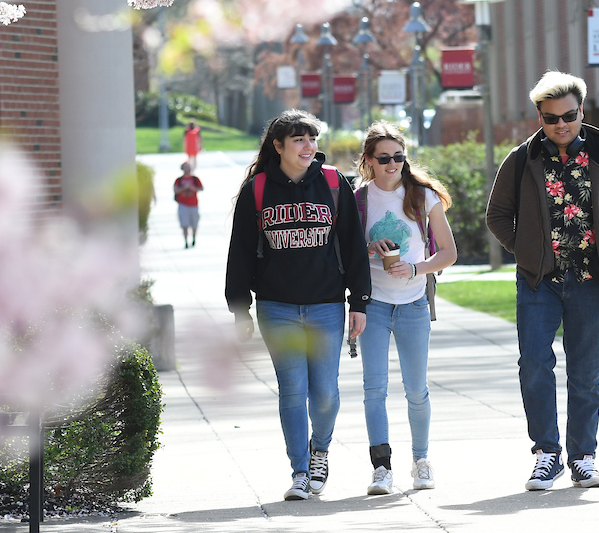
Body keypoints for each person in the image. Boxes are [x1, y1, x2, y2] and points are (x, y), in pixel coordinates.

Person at [486, 71, 599, 491]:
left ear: (581, 112)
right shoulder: (521, 160)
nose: (561, 125)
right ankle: (547, 454)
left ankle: (583, 458)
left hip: (591, 281)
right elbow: (497, 215)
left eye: (569, 116)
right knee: (534, 364)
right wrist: (527, 252)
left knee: (585, 372)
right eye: (551, 118)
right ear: (539, 117)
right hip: (539, 283)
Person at [224, 109, 372, 501]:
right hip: (276, 307)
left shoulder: (333, 183)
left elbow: (354, 247)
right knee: (292, 390)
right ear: (279, 146)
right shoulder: (256, 189)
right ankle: (300, 472)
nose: (309, 147)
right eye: (299, 140)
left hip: (326, 305)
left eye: (313, 139)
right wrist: (239, 308)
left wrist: (360, 301)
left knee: (324, 392)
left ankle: (319, 449)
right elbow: (239, 252)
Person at [354, 121, 458, 495]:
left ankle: (421, 460)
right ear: (369, 161)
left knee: (416, 389)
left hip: (413, 302)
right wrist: (369, 249)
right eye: (384, 158)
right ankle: (381, 468)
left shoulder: (423, 197)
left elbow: (449, 253)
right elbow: (345, 253)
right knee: (374, 389)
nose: (393, 164)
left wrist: (416, 267)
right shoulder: (358, 201)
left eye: (399, 157)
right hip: (375, 305)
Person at [173, 162, 203, 249]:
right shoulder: (179, 180)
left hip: (194, 204)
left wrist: (192, 188)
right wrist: (184, 188)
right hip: (183, 205)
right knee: (184, 224)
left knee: (194, 224)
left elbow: (201, 188)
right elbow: (175, 190)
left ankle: (193, 237)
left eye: (188, 167)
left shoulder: (195, 179)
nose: (187, 169)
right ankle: (186, 241)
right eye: (185, 167)